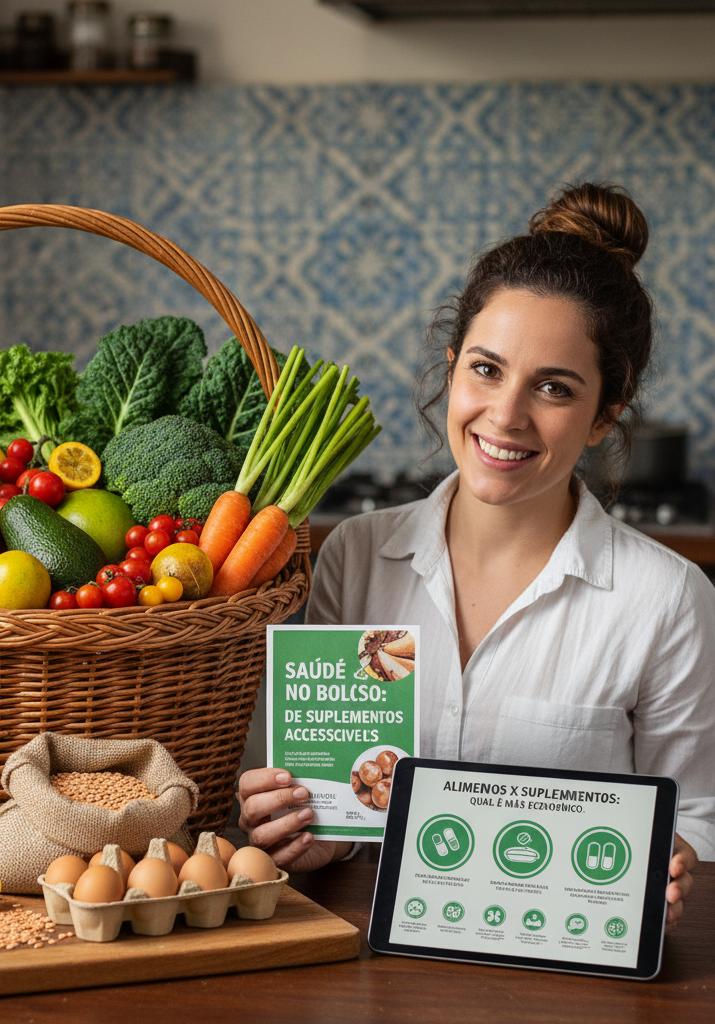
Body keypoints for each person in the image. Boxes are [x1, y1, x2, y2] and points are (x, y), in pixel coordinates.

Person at [237, 182, 714, 932]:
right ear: (454, 366)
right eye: (486, 370)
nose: (506, 415)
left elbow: (700, 819)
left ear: (604, 417)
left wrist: (679, 855)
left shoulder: (668, 598)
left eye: (554, 388)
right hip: (368, 965)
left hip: (567, 975)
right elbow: (302, 784)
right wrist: (297, 828)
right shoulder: (355, 556)